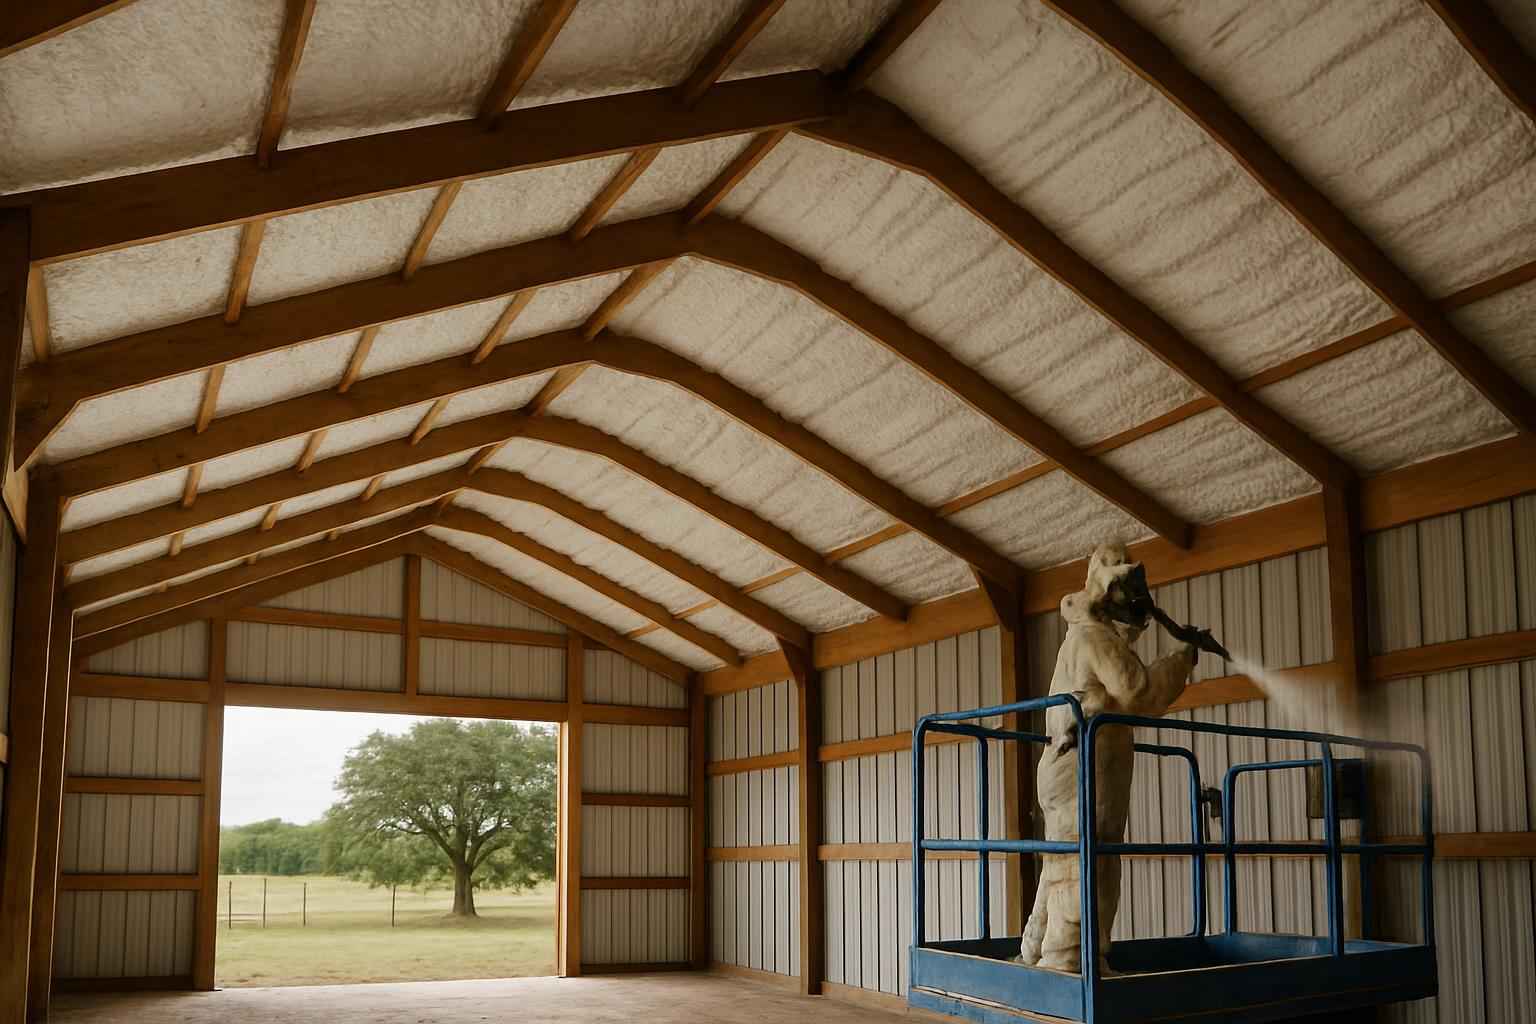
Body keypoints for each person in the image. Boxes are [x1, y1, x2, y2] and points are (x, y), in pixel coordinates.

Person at [1018, 543, 1203, 974]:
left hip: (1072, 769)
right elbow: (1139, 692)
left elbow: (1112, 678)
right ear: (1106, 588)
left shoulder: (1085, 635)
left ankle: (1031, 951)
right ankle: (1066, 965)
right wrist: (1182, 660)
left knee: (1062, 859)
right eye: (1125, 588)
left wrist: (1134, 632)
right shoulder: (1093, 637)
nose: (1134, 598)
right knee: (1088, 864)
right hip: (1084, 771)